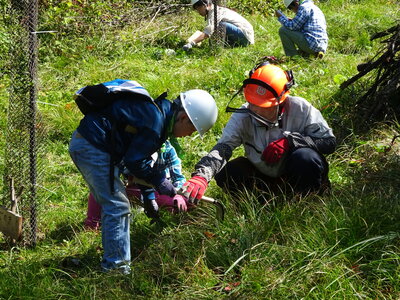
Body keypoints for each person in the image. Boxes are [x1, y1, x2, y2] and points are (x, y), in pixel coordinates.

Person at [69, 79, 218, 274]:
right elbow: (134, 162)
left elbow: (141, 160)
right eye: (191, 130)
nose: (188, 135)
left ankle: (114, 261)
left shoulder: (159, 117)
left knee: (114, 205)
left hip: (93, 145)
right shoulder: (156, 122)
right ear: (183, 118)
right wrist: (159, 181)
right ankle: (116, 269)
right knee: (117, 206)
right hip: (92, 146)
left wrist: (149, 197)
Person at [180, 62, 336, 205]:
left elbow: (329, 143)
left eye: (265, 106)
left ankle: (306, 203)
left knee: (306, 158)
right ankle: (264, 202)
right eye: (253, 104)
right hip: (263, 177)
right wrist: (201, 176)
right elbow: (223, 148)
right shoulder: (243, 115)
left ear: (281, 101)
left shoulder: (301, 109)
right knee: (228, 173)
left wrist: (291, 142)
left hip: (296, 172)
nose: (257, 111)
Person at [84, 140, 188, 230]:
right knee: (100, 187)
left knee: (179, 206)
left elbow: (178, 178)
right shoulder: (133, 149)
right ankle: (92, 224)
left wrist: (178, 194)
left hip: (160, 191)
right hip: (134, 189)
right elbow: (114, 173)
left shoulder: (168, 151)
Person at [183, 0, 254, 51]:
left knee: (219, 25)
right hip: (242, 35)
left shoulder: (215, 12)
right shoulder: (212, 12)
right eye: (197, 10)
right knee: (214, 33)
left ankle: (218, 49)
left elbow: (208, 32)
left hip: (245, 37)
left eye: (199, 8)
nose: (198, 12)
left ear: (205, 4)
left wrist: (192, 43)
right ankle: (222, 47)